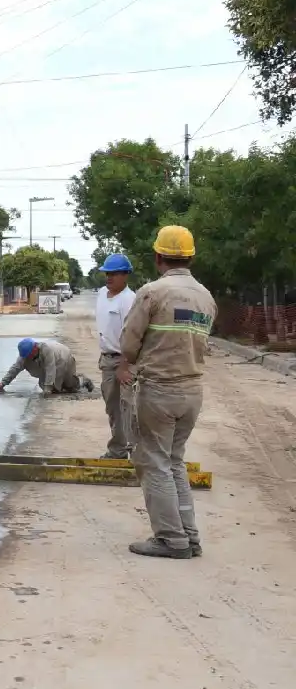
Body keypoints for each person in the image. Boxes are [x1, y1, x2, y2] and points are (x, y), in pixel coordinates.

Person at [118, 226, 216, 559]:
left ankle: (170, 539)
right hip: (192, 390)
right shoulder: (206, 296)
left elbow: (129, 342)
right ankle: (189, 536)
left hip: (160, 389)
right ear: (189, 257)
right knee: (174, 461)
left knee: (154, 462)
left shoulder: (153, 292)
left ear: (158, 257)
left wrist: (128, 362)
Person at [96, 253, 136, 459]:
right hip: (107, 359)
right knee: (113, 409)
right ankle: (118, 450)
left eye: (114, 274)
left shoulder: (129, 300)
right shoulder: (102, 293)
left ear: (125, 275)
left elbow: (133, 335)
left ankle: (135, 451)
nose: (109, 278)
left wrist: (124, 365)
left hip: (124, 361)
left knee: (129, 409)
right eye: (107, 274)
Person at [0, 337, 92, 395]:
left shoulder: (46, 350)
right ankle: (56, 387)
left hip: (64, 359)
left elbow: (50, 368)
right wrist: (2, 383)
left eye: (28, 355)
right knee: (50, 388)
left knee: (70, 387)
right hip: (48, 367)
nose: (27, 358)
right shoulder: (24, 356)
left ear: (34, 349)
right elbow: (14, 369)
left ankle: (83, 380)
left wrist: (48, 388)